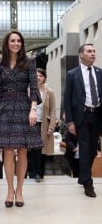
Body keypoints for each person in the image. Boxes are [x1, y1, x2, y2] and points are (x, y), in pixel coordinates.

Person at [0, 30, 42, 208]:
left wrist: (33, 110)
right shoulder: (0, 64)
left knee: (23, 150)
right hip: (5, 108)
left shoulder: (29, 62)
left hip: (24, 108)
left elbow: (34, 87)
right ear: (7, 43)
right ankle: (10, 190)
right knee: (8, 151)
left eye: (19, 41)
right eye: (13, 41)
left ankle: (20, 190)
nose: (16, 43)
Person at [64, 43, 102, 198]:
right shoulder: (72, 74)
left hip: (98, 115)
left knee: (93, 150)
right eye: (89, 51)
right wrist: (70, 122)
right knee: (85, 150)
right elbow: (66, 99)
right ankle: (88, 183)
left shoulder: (100, 72)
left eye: (94, 51)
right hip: (82, 116)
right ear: (81, 54)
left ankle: (83, 176)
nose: (93, 53)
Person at [28, 68, 57, 182]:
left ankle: (40, 173)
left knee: (42, 150)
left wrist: (51, 127)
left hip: (44, 124)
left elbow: (53, 110)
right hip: (31, 124)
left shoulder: (49, 91)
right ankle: (32, 173)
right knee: (32, 149)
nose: (38, 77)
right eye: (36, 75)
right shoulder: (28, 91)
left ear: (44, 78)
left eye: (40, 75)